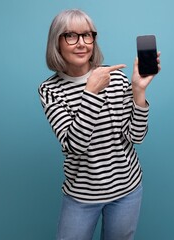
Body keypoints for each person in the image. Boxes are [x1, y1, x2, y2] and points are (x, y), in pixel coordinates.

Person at [38, 9, 161, 240]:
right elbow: (75, 145)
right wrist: (91, 92)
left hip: (127, 189)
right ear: (57, 42)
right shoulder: (50, 90)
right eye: (71, 36)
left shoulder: (115, 78)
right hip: (82, 195)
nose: (81, 43)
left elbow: (136, 136)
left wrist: (138, 92)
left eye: (87, 35)